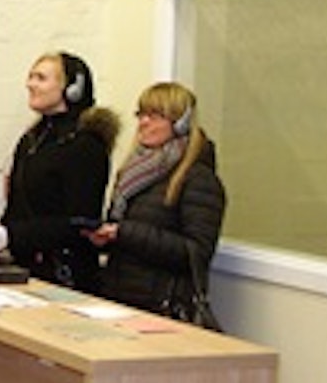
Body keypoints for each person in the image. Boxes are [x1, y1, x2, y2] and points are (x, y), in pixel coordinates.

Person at [85, 80, 226, 315]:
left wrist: (125, 232)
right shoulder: (133, 172)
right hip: (120, 298)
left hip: (163, 306)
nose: (143, 122)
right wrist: (106, 238)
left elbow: (195, 253)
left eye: (155, 115)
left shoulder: (198, 179)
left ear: (180, 123)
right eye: (141, 114)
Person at [0, 51, 120, 292]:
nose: (30, 84)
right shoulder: (31, 140)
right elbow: (17, 208)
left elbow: (80, 221)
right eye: (31, 76)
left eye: (41, 78)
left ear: (73, 89)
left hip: (65, 274)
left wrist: (10, 235)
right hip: (25, 268)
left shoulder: (85, 145)